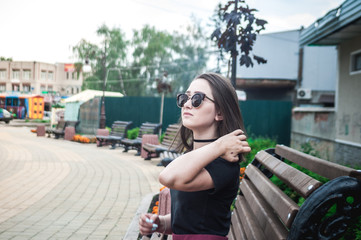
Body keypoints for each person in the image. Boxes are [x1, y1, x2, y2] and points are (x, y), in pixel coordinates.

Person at [139, 72, 251, 239]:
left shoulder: (224, 163)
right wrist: (161, 223)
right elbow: (194, 217)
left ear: (219, 112)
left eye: (197, 99)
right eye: (185, 98)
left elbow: (168, 177)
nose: (187, 104)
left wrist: (220, 145)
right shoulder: (197, 157)